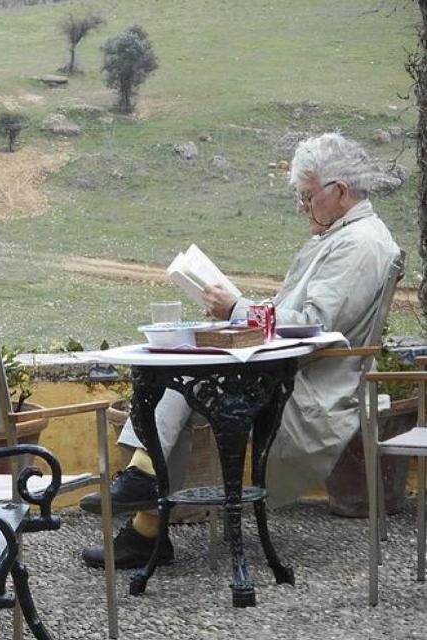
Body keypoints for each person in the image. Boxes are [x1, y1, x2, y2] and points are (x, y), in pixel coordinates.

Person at [81, 132, 401, 569]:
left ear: (339, 191)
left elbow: (314, 323)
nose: (300, 208)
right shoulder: (343, 235)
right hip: (288, 371)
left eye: (306, 197)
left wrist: (237, 308)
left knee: (184, 378)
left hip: (309, 385)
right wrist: (238, 313)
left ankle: (144, 503)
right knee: (182, 374)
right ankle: (144, 498)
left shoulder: (360, 243)